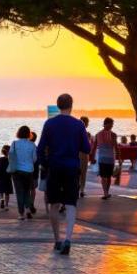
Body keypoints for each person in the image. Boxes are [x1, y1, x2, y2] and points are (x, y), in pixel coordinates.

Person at [37, 93, 91, 255]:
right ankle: (68, 238)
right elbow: (86, 149)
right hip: (71, 168)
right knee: (70, 205)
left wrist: (45, 164)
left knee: (54, 204)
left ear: (58, 105)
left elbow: (40, 148)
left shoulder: (50, 124)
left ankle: (57, 240)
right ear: (71, 105)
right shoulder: (79, 125)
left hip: (54, 167)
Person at [8, 126, 37, 219]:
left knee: (19, 192)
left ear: (19, 133)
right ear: (29, 134)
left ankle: (21, 214)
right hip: (28, 171)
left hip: (17, 171)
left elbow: (10, 155)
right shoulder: (32, 145)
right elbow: (34, 159)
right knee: (27, 191)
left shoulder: (15, 144)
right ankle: (28, 209)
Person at [93, 118, 118, 199]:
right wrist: (92, 157)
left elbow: (116, 147)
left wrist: (119, 158)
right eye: (111, 124)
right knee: (104, 176)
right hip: (105, 159)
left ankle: (106, 192)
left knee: (108, 176)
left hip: (108, 159)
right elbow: (94, 147)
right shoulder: (99, 134)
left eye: (112, 124)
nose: (112, 126)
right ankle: (105, 193)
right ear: (105, 124)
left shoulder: (111, 134)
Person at [0, 145, 13, 210]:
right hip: (8, 177)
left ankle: (2, 200)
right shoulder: (11, 160)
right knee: (7, 192)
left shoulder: (0, 159)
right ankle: (7, 205)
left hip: (1, 177)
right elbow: (12, 169)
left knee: (1, 191)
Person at [79, 116, 92, 198]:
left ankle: (78, 189)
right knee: (83, 173)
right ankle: (82, 190)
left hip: (77, 154)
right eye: (87, 123)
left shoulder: (75, 133)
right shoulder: (87, 134)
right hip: (84, 154)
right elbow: (88, 147)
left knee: (78, 173)